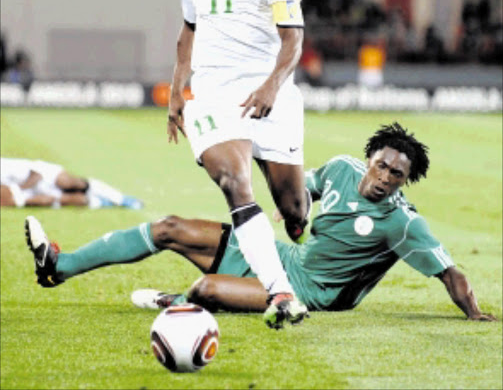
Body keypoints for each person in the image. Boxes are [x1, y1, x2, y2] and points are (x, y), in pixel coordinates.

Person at [25, 124, 497, 324]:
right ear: (369, 158)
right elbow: (303, 186)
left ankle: (176, 301)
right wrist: (286, 208)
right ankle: (60, 266)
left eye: (396, 175)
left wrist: (473, 312)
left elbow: (449, 272)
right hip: (282, 258)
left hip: (309, 295)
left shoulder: (402, 223)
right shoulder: (341, 168)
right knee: (170, 227)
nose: (384, 178)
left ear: (405, 181)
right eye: (381, 165)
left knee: (207, 289)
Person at [167, 0, 309, 328]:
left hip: (272, 95)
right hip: (213, 96)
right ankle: (280, 292)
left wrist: (270, 86)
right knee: (234, 180)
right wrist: (176, 89)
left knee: (294, 211)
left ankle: (312, 197)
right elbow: (189, 30)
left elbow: (293, 39)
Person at [1, 157, 143, 210]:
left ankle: (120, 198)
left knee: (67, 183)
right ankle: (100, 202)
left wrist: (18, 190)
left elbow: (36, 175)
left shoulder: (4, 165)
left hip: (44, 175)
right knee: (71, 200)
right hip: (27, 190)